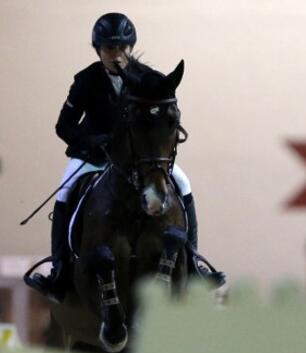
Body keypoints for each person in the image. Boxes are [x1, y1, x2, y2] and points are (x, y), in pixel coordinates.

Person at [29, 12, 224, 302]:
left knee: (183, 184)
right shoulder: (86, 81)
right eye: (109, 48)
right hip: (95, 156)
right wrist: (95, 141)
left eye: (122, 48)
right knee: (65, 192)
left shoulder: (148, 79)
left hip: (140, 159)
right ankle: (60, 269)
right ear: (98, 50)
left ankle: (193, 262)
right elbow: (64, 126)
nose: (116, 55)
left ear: (130, 48)